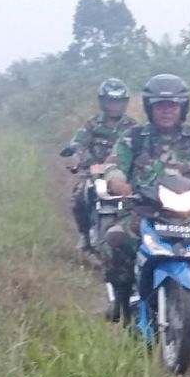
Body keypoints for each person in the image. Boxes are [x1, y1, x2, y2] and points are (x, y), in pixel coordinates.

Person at [101, 73, 190, 328]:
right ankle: (120, 297)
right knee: (115, 239)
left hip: (188, 215)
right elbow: (114, 165)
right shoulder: (134, 137)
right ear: (150, 108)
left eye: (173, 105)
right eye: (161, 106)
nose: (167, 111)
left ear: (183, 107)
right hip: (142, 211)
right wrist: (117, 180)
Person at [63, 78, 138, 251]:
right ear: (102, 102)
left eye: (119, 101)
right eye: (111, 101)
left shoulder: (133, 127)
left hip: (122, 174)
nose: (115, 105)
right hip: (94, 172)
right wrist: (79, 157)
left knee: (137, 202)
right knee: (79, 196)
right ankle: (84, 234)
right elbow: (78, 143)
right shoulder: (92, 124)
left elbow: (140, 150)